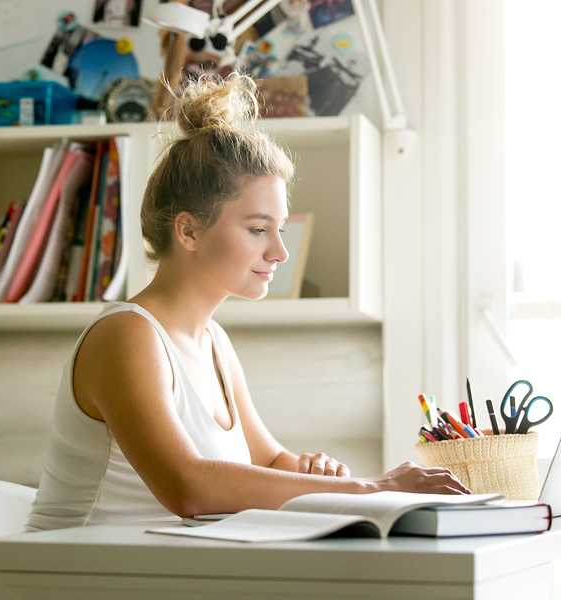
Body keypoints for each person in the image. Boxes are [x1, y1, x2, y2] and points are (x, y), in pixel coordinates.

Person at [25, 73, 469, 532]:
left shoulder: (213, 342)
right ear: (189, 231)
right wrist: (373, 489)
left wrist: (310, 471)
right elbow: (188, 486)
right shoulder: (127, 335)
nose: (279, 251)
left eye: (279, 229)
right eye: (259, 229)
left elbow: (269, 459)